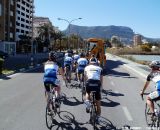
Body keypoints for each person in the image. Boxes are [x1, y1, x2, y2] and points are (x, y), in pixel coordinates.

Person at [84, 57, 103, 123]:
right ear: (96, 62)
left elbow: (85, 77)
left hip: (89, 83)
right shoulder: (100, 68)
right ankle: (98, 118)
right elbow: (101, 79)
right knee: (98, 104)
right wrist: (101, 87)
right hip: (97, 84)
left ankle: (87, 102)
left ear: (90, 62)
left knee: (87, 92)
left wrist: (85, 84)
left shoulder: (86, 68)